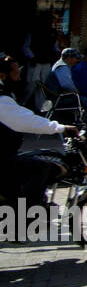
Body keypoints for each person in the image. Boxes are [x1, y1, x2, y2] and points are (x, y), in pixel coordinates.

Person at [0, 54, 78, 205]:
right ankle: (31, 214)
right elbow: (24, 119)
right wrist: (60, 128)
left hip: (6, 154)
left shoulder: (5, 94)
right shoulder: (2, 99)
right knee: (41, 167)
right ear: (2, 75)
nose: (19, 79)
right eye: (15, 74)